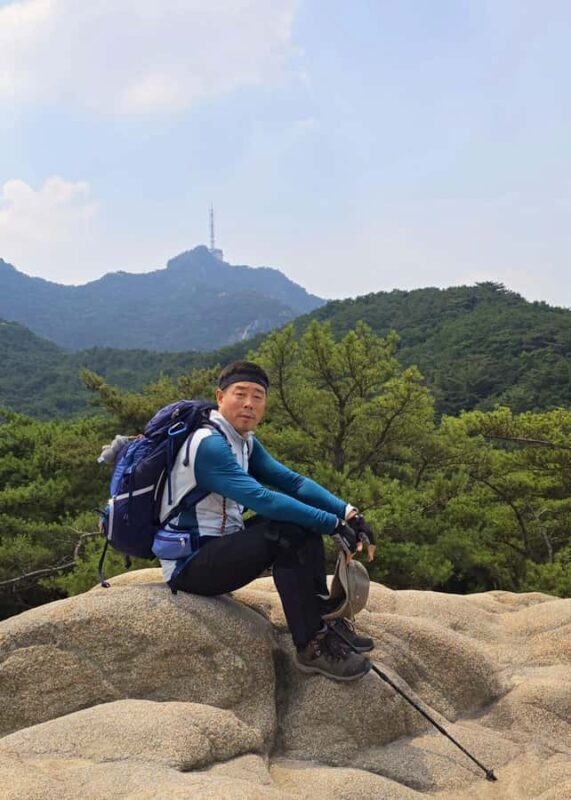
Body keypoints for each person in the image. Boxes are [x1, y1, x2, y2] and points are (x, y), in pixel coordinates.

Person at [154, 360, 377, 681]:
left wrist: (347, 512)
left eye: (257, 396)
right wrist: (332, 525)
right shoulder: (209, 444)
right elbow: (263, 499)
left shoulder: (243, 440)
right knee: (285, 532)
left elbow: (292, 482)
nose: (249, 403)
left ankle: (322, 622)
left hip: (222, 547)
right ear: (220, 397)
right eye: (240, 394)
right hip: (191, 565)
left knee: (299, 524)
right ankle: (311, 646)